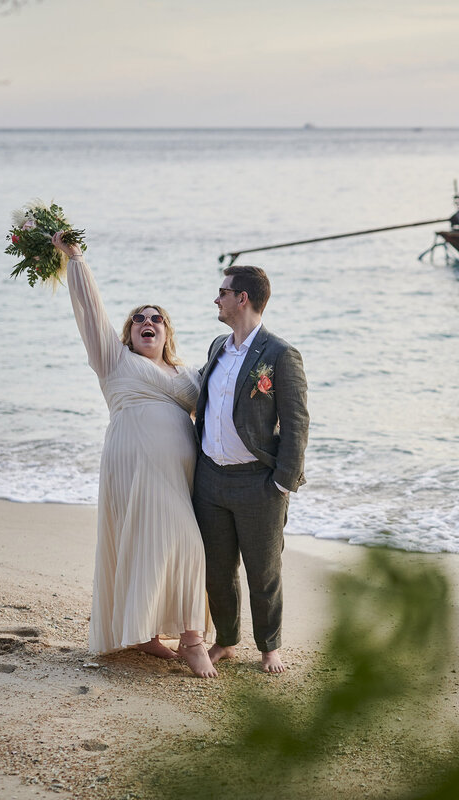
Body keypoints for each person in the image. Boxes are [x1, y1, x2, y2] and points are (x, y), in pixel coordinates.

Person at [51, 231, 216, 679]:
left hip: (178, 476)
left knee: (158, 545)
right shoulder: (115, 361)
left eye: (156, 318)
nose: (148, 322)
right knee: (182, 542)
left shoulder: (188, 376)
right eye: (139, 319)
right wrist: (75, 257)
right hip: (132, 467)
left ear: (166, 331)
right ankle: (192, 640)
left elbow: (224, 406)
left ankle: (146, 634)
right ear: (128, 333)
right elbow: (90, 311)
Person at [193, 265, 309, 674]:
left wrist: (282, 483)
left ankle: (269, 647)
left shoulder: (279, 354)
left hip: (258, 482)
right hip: (210, 479)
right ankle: (225, 641)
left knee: (264, 571)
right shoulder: (217, 347)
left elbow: (296, 423)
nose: (216, 298)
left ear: (242, 298)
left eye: (222, 292)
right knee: (217, 569)